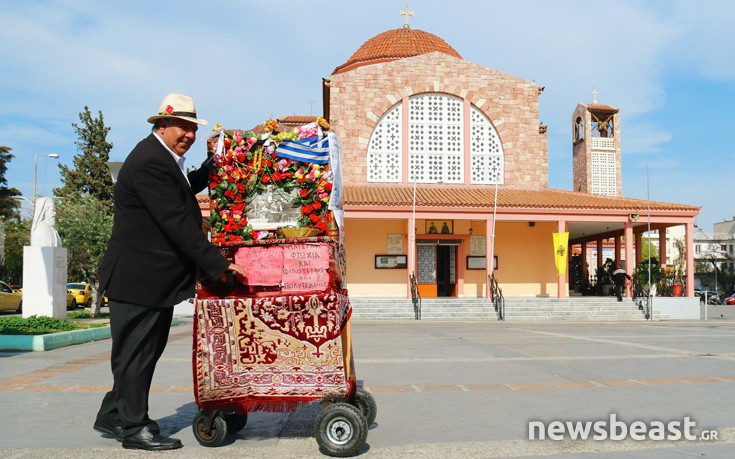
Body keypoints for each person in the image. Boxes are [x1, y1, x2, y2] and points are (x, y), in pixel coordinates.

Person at [93, 94, 246, 451]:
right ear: (160, 125)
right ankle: (133, 429)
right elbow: (176, 221)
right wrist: (217, 263)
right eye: (183, 127)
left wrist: (212, 164)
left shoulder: (162, 159)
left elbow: (182, 189)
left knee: (140, 352)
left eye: (193, 128)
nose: (189, 135)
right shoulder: (149, 161)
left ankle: (113, 414)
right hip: (137, 279)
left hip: (148, 279)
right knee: (136, 354)